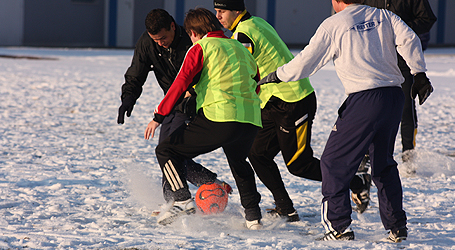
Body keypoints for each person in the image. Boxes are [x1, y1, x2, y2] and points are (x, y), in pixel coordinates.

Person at [258, 0, 433, 242]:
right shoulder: (384, 16)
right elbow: (410, 39)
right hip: (393, 97)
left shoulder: (334, 24)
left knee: (333, 163)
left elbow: (306, 61)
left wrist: (277, 75)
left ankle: (338, 228)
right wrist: (419, 73)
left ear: (337, 1)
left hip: (364, 99)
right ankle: (396, 227)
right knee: (382, 164)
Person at [213, 0, 371, 221]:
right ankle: (285, 208)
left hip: (294, 100)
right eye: (216, 11)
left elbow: (242, 73)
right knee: (257, 153)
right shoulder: (255, 23)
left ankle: (356, 181)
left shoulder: (243, 35)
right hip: (273, 101)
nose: (218, 16)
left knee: (299, 164)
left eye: (222, 11)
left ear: (237, 10)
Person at [144, 7, 264, 229]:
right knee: (239, 163)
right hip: (250, 120)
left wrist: (159, 116)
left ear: (193, 32)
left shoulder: (201, 47)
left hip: (219, 117)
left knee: (167, 150)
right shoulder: (240, 47)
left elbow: (180, 82)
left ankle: (182, 200)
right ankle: (253, 217)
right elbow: (255, 80)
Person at [117, 9, 231, 205]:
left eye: (163, 38)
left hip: (193, 103)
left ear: (172, 26)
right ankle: (212, 184)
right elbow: (136, 73)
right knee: (168, 154)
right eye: (156, 40)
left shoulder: (190, 40)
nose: (160, 43)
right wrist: (128, 97)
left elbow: (210, 74)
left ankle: (175, 203)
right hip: (170, 104)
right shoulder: (147, 43)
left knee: (169, 152)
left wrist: (192, 92)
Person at [359, 0, 437, 164]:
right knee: (369, 108)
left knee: (406, 109)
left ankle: (408, 155)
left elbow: (427, 19)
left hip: (403, 61)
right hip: (373, 60)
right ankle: (366, 154)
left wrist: (400, 29)